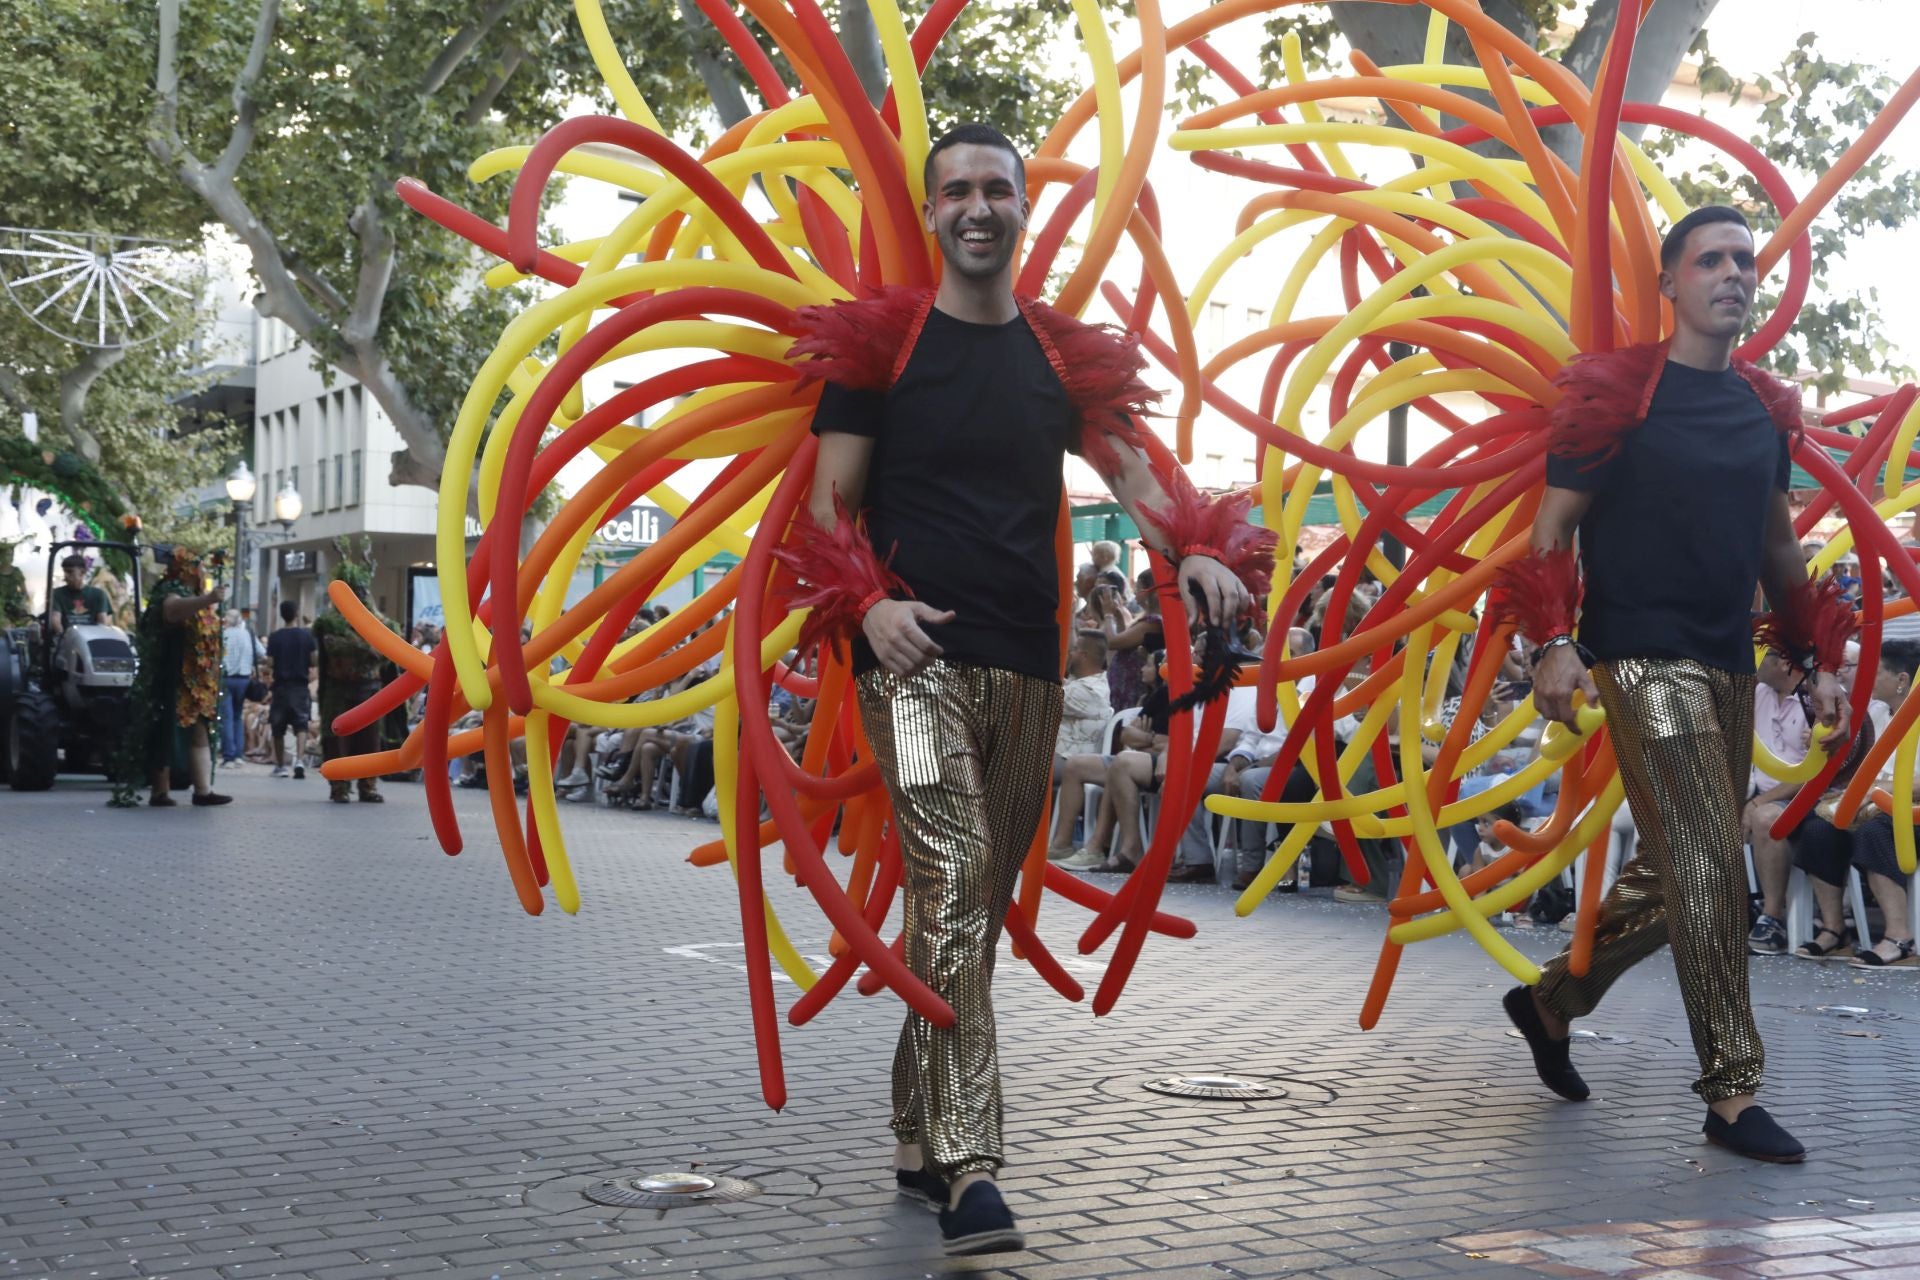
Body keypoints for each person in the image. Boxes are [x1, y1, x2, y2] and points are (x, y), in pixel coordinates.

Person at [776, 122, 1268, 1255]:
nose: (979, 207)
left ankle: (914, 1124)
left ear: (1023, 207)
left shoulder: (1062, 358)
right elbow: (824, 515)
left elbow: (1142, 478)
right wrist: (868, 606)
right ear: (934, 209)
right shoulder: (877, 349)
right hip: (910, 662)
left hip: (1031, 669)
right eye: (958, 190)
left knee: (969, 914)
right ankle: (971, 1166)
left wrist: (1192, 545)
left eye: (998, 188)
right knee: (952, 887)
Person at [1495, 205, 1851, 1164]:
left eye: (1745, 260)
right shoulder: (1615, 393)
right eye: (1713, 259)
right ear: (1672, 283)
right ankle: (1732, 1092)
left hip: (1728, 661)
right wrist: (1552, 642)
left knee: (1673, 873)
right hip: (1639, 655)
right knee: (1706, 870)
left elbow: (1780, 549)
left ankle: (1549, 1002)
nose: (1734, 273)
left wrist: (1817, 659)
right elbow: (1551, 527)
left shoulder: (1763, 409)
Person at [1793, 638, 1920, 968]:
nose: (1868, 679)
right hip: (1874, 803)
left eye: (1876, 673)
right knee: (1818, 831)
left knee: (1875, 832)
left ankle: (1899, 938)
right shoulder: (1877, 712)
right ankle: (1835, 930)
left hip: (1910, 811)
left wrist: (1877, 789)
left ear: (1903, 680)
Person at [120, 545, 232, 807]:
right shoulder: (170, 592)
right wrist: (208, 599)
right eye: (198, 568)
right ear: (187, 571)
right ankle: (160, 791)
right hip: (172, 674)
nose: (202, 572)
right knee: (165, 729)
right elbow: (172, 611)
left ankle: (203, 791)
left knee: (201, 730)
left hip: (197, 678)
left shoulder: (193, 594)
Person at [312, 556, 392, 802]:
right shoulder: (330, 623)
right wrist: (367, 646)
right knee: (337, 740)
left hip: (370, 690)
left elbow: (388, 652)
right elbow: (335, 647)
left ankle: (368, 785)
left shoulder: (379, 622)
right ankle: (340, 786)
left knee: (370, 741)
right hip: (338, 689)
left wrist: (368, 645)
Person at [1044, 632, 1115, 857]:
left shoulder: (1089, 690)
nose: (1068, 654)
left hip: (1070, 759)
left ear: (1083, 655)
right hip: (1060, 755)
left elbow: (1040, 700)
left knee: (1015, 764)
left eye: (1072, 650)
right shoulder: (1078, 684)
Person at [266, 599, 316, 779]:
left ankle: (280, 766)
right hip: (300, 687)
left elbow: (270, 663)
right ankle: (300, 761)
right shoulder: (306, 636)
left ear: (281, 615)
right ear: (296, 614)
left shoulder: (275, 637)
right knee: (301, 724)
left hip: (280, 687)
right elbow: (313, 660)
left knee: (277, 727)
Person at [218, 609, 263, 766]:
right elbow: (262, 653)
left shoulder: (223, 635)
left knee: (227, 717)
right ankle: (238, 754)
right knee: (238, 716)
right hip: (244, 680)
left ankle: (228, 755)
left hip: (226, 679)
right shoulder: (248, 634)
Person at [47, 553, 111, 634]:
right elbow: (55, 620)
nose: (66, 576)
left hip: (91, 640)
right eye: (65, 572)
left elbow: (102, 623)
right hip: (67, 640)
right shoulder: (57, 593)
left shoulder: (99, 594)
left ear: (82, 572)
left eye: (70, 572)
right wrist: (64, 638)